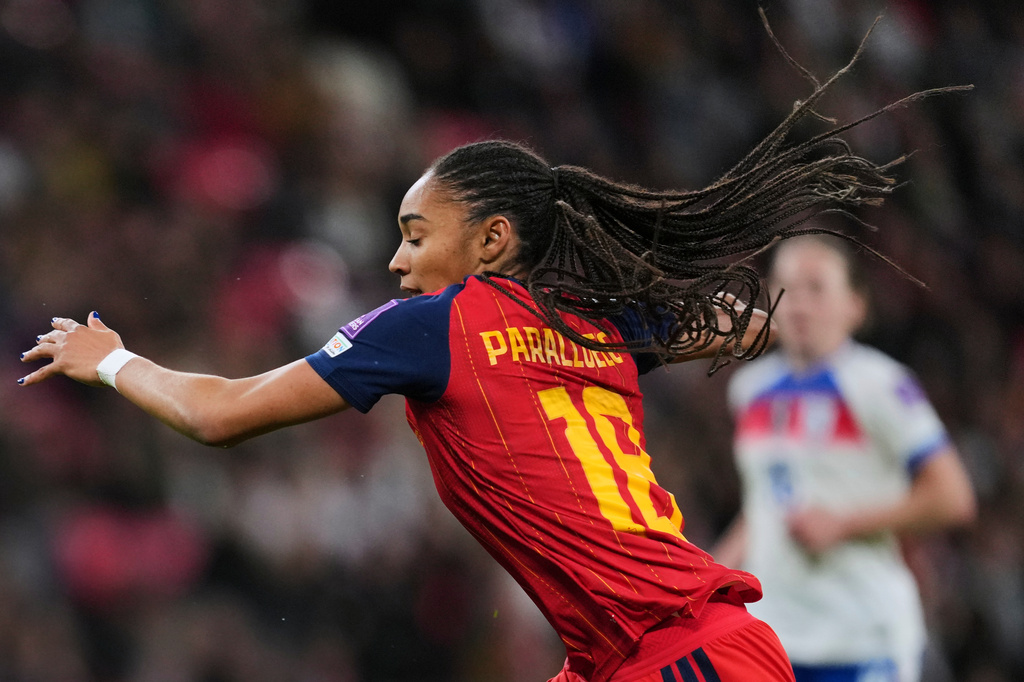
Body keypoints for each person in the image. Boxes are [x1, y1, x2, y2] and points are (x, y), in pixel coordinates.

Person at [17, 38, 964, 678]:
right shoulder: (595, 319)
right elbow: (736, 322)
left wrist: (111, 361)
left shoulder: (429, 329)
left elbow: (218, 413)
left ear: (493, 239)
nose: (395, 259)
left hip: (680, 657)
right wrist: (739, 324)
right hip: (656, 654)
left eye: (416, 234)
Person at [713, 235, 977, 682]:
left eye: (816, 288)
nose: (799, 303)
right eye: (787, 288)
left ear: (855, 305)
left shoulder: (882, 386)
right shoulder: (749, 390)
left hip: (861, 634)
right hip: (775, 636)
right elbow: (764, 502)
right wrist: (714, 575)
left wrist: (844, 524)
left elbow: (953, 497)